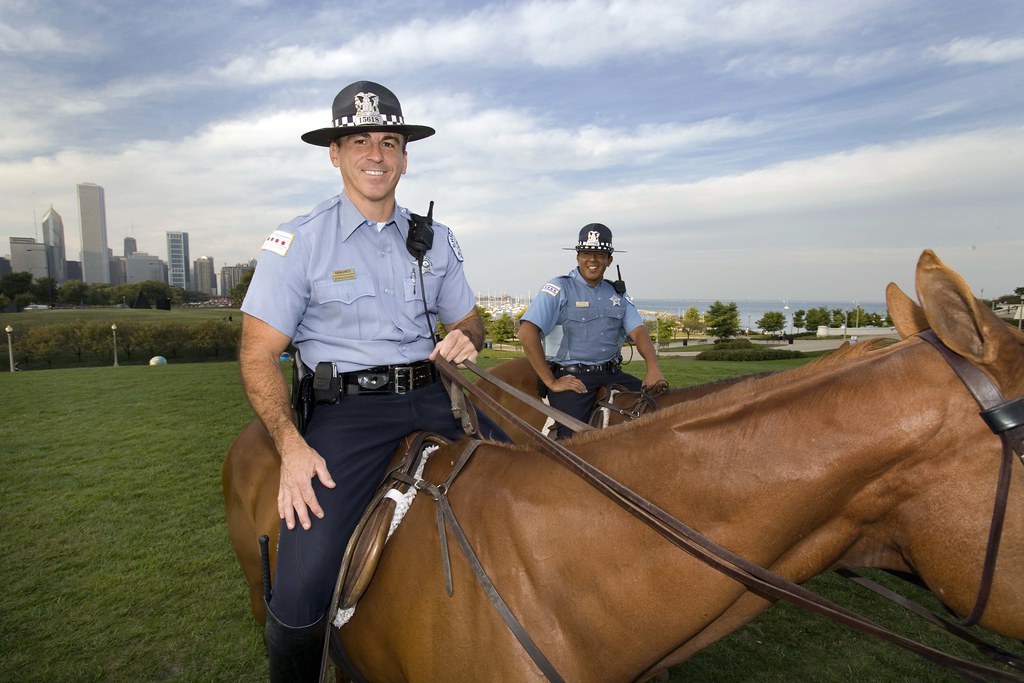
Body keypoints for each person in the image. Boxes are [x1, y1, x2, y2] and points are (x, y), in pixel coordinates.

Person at [239, 80, 502, 681]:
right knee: (303, 583)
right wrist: (290, 445)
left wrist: (468, 337)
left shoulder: (436, 238)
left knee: (538, 487)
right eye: (360, 141)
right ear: (335, 153)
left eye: (389, 141)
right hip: (348, 413)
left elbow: (469, 319)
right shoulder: (298, 242)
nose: (376, 155)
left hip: (435, 396)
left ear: (405, 156)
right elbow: (258, 355)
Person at [517, 224, 666, 439]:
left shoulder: (617, 294)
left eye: (600, 254)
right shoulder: (559, 288)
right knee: (574, 442)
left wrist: (653, 368)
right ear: (577, 257)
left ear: (609, 260)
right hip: (574, 378)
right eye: (586, 253)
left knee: (658, 408)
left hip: (612, 373)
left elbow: (639, 331)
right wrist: (551, 381)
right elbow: (526, 333)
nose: (593, 259)